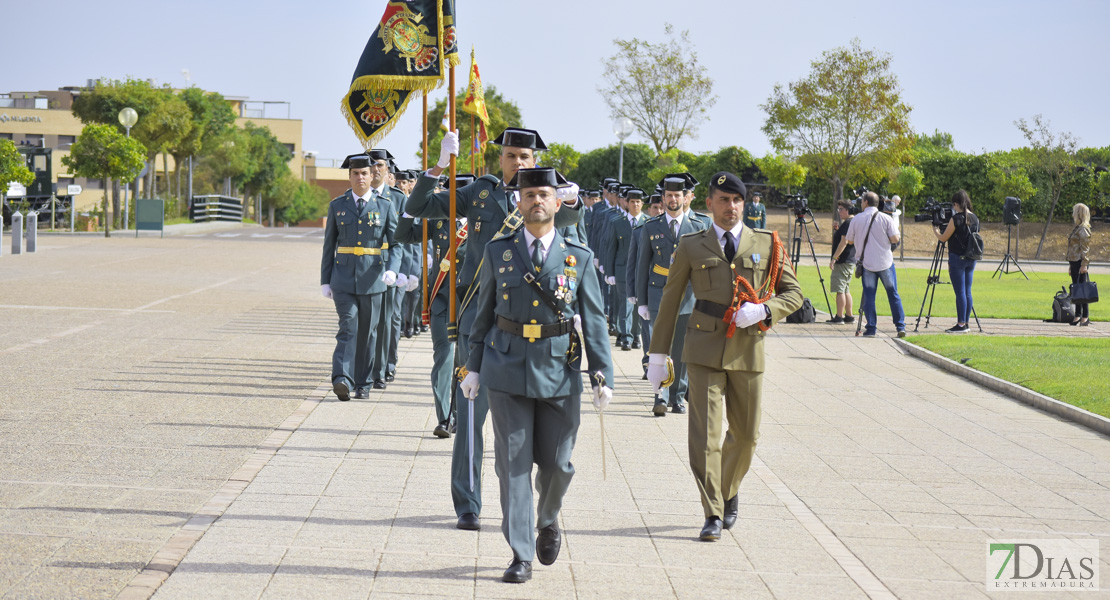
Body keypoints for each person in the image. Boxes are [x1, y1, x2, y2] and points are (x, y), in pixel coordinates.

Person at [405, 127, 582, 532]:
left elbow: (571, 224)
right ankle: (468, 502)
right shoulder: (479, 193)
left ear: (534, 162)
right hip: (478, 321)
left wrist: (570, 197)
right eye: (511, 156)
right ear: (499, 158)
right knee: (470, 413)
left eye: (525, 157)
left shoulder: (546, 198)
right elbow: (419, 208)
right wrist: (435, 167)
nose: (518, 163)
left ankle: (534, 503)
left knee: (533, 429)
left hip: (529, 330)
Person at [461, 167, 613, 583]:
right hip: (506, 367)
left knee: (557, 464)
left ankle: (548, 518)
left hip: (560, 371)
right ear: (519, 202)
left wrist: (602, 374)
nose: (536, 202)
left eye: (544, 194)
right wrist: (473, 366)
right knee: (511, 465)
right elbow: (483, 313)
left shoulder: (577, 257)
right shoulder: (499, 252)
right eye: (529, 195)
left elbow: (595, 321)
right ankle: (521, 553)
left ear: (557, 201)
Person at [647, 172, 803, 541]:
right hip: (702, 348)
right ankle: (713, 511)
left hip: (748, 347)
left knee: (747, 436)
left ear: (744, 204)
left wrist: (765, 311)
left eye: (737, 201)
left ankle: (728, 488)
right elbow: (670, 301)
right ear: (709, 204)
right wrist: (657, 354)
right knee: (704, 436)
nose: (730, 207)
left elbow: (794, 294)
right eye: (723, 200)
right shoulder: (691, 244)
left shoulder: (767, 243)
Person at [320, 152, 402, 402]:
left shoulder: (385, 205)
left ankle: (363, 382)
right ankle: (342, 379)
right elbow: (329, 245)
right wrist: (325, 279)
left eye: (364, 173)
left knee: (368, 332)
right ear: (350, 177)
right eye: (355, 173)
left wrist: (393, 269)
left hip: (374, 278)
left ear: (371, 176)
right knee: (348, 326)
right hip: (343, 278)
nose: (360, 177)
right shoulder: (338, 205)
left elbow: (396, 243)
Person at [636, 176, 710, 416]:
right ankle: (660, 394)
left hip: (688, 295)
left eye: (677, 195)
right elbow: (641, 265)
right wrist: (641, 301)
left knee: (681, 348)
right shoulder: (650, 226)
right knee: (659, 347)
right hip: (659, 293)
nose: (673, 199)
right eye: (669, 196)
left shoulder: (699, 226)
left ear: (684, 198)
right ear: (663, 198)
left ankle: (678, 395)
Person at [841, 191, 905, 338]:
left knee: (870, 296)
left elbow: (849, 241)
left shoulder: (857, 219)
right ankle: (900, 325)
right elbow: (895, 239)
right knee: (893, 294)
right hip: (885, 262)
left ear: (865, 202)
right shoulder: (886, 218)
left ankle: (871, 329)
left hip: (867, 263)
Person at [933, 190, 979, 333]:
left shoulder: (956, 219)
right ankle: (966, 323)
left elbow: (943, 238)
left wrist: (935, 229)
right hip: (971, 258)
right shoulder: (975, 218)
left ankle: (960, 324)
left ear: (957, 204)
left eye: (954, 204)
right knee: (967, 291)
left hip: (957, 258)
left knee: (960, 292)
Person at [826, 200, 856, 324]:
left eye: (841, 209)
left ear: (847, 210)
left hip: (843, 261)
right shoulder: (852, 222)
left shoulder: (848, 223)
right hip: (850, 260)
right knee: (846, 289)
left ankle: (839, 316)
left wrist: (834, 259)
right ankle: (849, 316)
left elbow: (843, 242)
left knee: (840, 289)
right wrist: (837, 230)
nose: (839, 212)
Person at [1067, 203, 1093, 326]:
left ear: (1078, 213)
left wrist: (1084, 265)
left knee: (1082, 289)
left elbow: (1085, 249)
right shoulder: (1077, 228)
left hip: (1080, 262)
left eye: (1074, 211)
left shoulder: (1083, 229)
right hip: (1074, 261)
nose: (1072, 214)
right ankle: (1077, 315)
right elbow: (1074, 248)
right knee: (1077, 290)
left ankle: (1085, 316)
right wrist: (1070, 265)